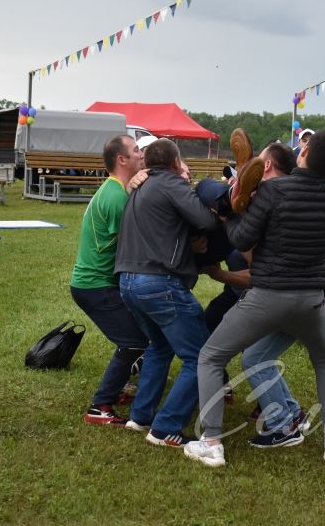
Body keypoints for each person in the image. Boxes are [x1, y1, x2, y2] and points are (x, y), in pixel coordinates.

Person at [186, 131, 325, 468]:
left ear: (303, 149)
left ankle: (212, 442)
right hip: (310, 298)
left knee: (210, 357)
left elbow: (243, 237)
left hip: (269, 294)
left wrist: (229, 216)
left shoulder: (275, 189)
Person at [115, 138, 220, 448]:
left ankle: (140, 415)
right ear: (176, 163)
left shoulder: (140, 187)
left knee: (160, 347)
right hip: (158, 283)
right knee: (201, 357)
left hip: (128, 283)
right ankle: (166, 427)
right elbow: (205, 220)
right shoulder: (171, 183)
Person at [70, 135, 149, 426]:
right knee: (134, 343)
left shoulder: (116, 190)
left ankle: (124, 389)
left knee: (141, 338)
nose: (142, 154)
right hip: (96, 286)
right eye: (136, 150)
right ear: (122, 159)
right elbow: (135, 244)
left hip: (97, 284)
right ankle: (100, 405)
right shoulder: (116, 196)